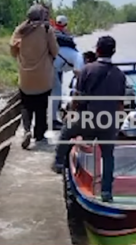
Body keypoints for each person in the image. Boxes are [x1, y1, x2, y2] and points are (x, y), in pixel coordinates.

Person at [52, 35, 127, 202]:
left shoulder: (87, 70)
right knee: (108, 156)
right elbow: (120, 105)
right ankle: (106, 192)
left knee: (66, 132)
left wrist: (72, 115)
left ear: (97, 50)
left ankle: (57, 163)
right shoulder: (120, 75)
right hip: (108, 121)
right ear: (113, 52)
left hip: (87, 119)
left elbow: (77, 99)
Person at [10, 4, 59, 149]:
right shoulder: (46, 30)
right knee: (41, 107)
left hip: (25, 77)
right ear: (42, 16)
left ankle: (26, 130)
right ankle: (39, 135)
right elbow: (55, 51)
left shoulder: (20, 30)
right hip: (43, 77)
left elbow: (13, 51)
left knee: (26, 105)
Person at [50, 15, 83, 130]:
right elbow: (78, 74)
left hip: (49, 65)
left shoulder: (53, 33)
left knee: (52, 93)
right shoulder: (79, 56)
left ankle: (51, 117)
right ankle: (52, 121)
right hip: (53, 68)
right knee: (56, 93)